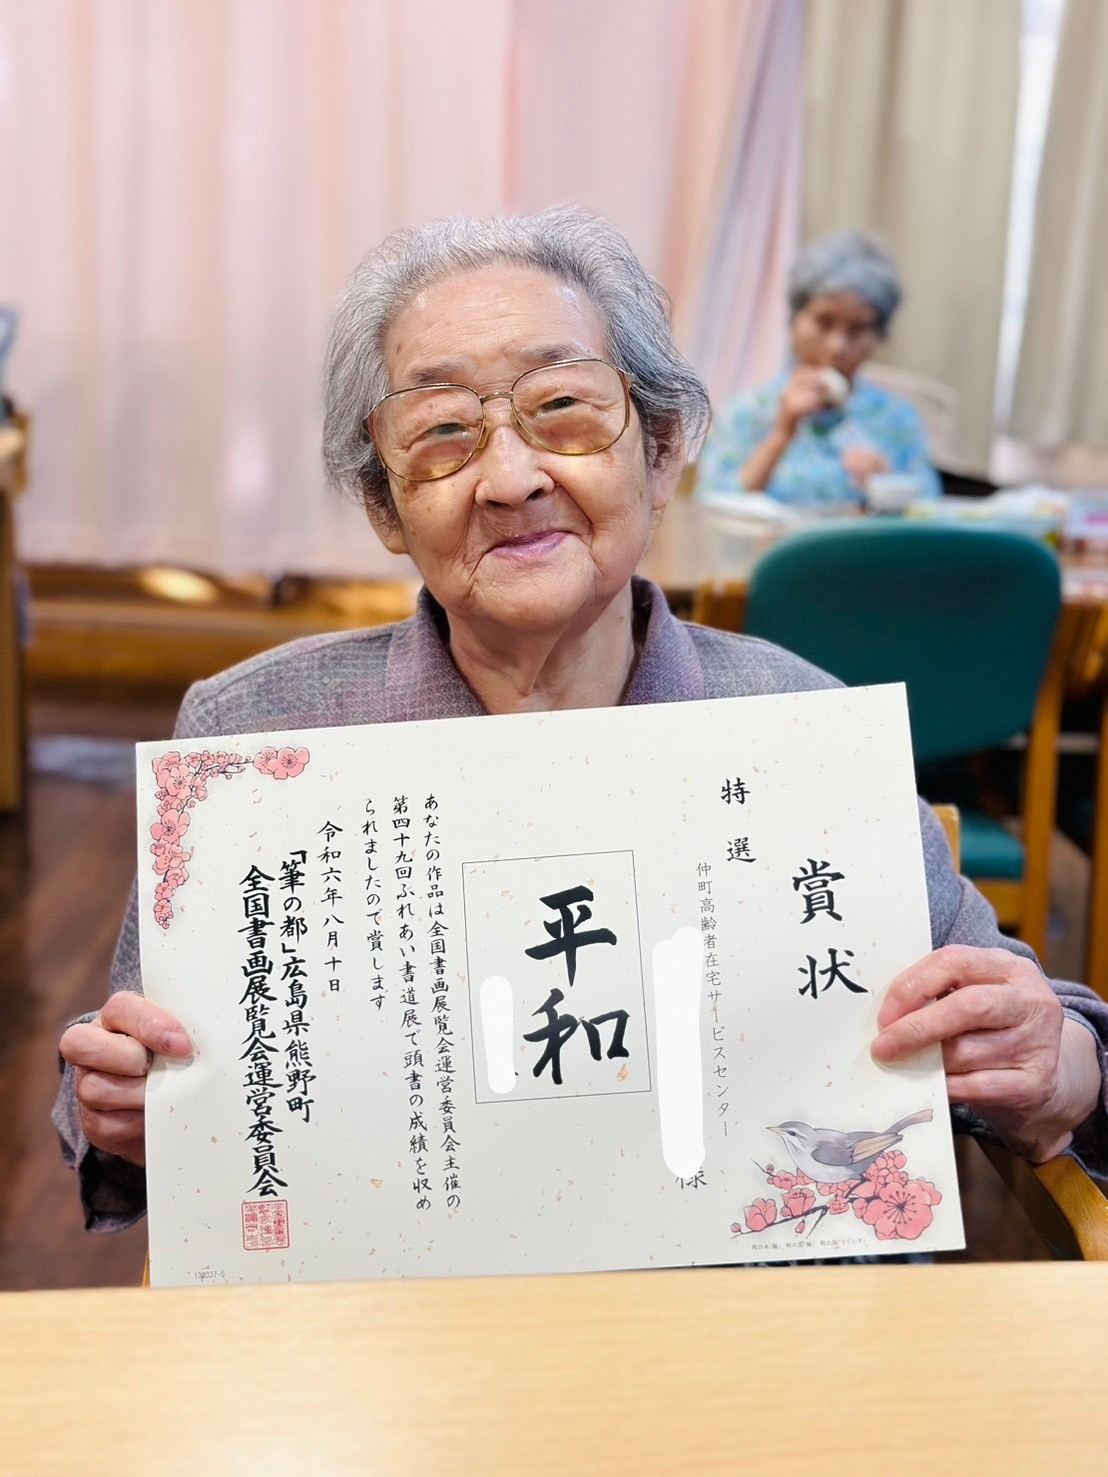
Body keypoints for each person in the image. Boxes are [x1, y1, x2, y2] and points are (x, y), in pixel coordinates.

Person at [56, 207, 1106, 1234]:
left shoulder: (800, 728)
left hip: (749, 1333)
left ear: (660, 452)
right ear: (385, 507)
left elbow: (1048, 1028)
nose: (512, 480)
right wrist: (124, 1107)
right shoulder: (253, 741)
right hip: (381, 1335)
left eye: (563, 407)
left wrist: (1051, 1063)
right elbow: (126, 1090)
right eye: (442, 432)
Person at [696, 230, 942, 509]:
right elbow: (710, 507)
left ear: (878, 335)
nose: (837, 346)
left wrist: (887, 486)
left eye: (858, 329)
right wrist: (781, 436)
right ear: (795, 320)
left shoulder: (897, 419)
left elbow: (930, 512)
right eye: (823, 321)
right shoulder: (746, 412)